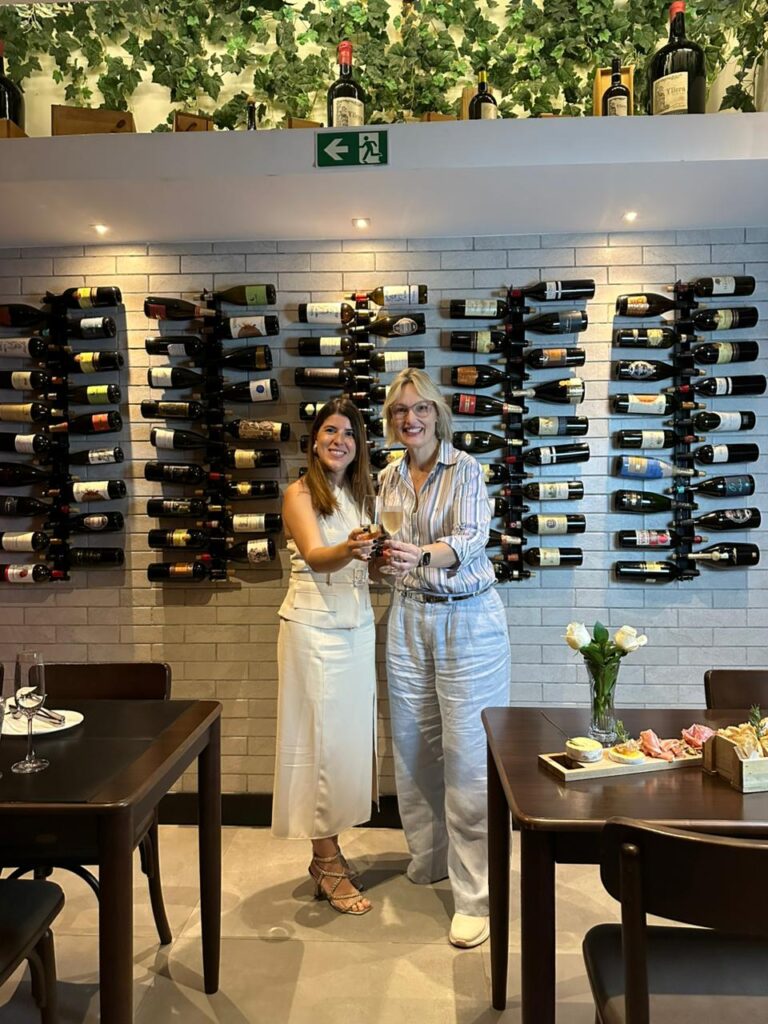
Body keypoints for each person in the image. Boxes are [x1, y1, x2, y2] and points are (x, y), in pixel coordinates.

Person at [376, 368, 511, 948]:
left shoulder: (468, 468)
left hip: (468, 619)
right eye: (400, 411)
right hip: (408, 615)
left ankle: (476, 895)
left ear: (437, 414)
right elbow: (387, 549)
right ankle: (430, 856)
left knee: (469, 757)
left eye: (420, 408)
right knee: (414, 746)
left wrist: (422, 555)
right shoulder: (387, 476)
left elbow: (473, 535)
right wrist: (378, 558)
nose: (411, 419)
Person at [272, 397, 378, 915]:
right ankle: (325, 858)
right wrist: (354, 548)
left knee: (346, 747)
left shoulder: (358, 495)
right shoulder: (299, 494)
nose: (340, 440)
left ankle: (330, 849)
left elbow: (362, 566)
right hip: (314, 632)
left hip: (358, 630)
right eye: (331, 431)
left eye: (350, 433)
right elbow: (316, 557)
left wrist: (383, 560)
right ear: (314, 440)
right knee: (319, 748)